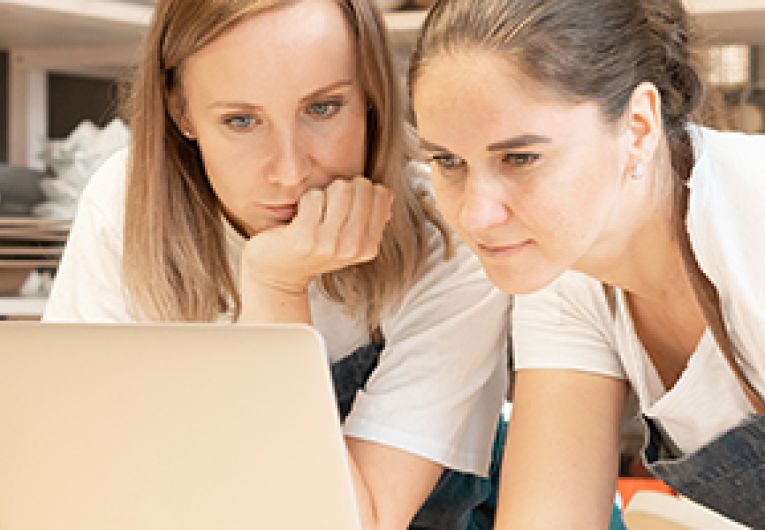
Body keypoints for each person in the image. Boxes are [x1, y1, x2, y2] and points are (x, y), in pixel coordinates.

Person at [43, 1, 512, 528]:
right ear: (181, 112)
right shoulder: (124, 205)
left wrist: (275, 286)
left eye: (323, 109)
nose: (290, 172)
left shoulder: (446, 234)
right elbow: (78, 477)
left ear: (372, 98)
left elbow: (351, 522)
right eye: (241, 121)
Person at [408, 0, 765, 528]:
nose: (476, 215)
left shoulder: (751, 219)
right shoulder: (563, 272)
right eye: (448, 162)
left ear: (639, 127)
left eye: (520, 158)